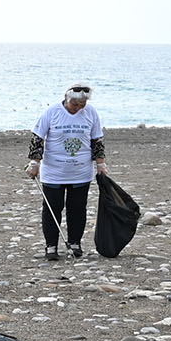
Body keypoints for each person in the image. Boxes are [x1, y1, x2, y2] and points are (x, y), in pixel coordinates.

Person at [30, 84, 107, 261]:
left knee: (78, 209)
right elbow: (37, 138)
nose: (79, 107)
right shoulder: (52, 113)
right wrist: (34, 163)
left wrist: (101, 165)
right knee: (52, 209)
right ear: (67, 99)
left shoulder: (91, 113)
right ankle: (51, 246)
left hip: (81, 172)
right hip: (54, 172)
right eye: (76, 104)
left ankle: (75, 243)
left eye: (83, 104)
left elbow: (97, 140)